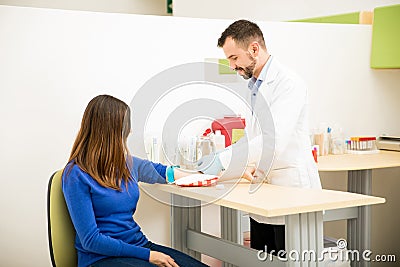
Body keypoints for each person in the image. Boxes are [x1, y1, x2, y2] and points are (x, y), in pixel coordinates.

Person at [199, 19, 322, 255]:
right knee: (260, 258)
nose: (232, 66)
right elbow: (255, 136)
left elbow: (272, 140)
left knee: (289, 257)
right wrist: (241, 163)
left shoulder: (289, 84)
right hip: (264, 190)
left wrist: (225, 159)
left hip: (290, 189)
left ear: (254, 49)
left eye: (234, 58)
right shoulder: (254, 85)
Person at [62, 94, 211, 267]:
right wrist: (148, 255)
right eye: (126, 126)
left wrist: (209, 174)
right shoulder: (76, 175)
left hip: (138, 246)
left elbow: (165, 173)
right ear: (111, 131)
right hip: (100, 258)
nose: (130, 131)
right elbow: (91, 240)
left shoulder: (127, 163)